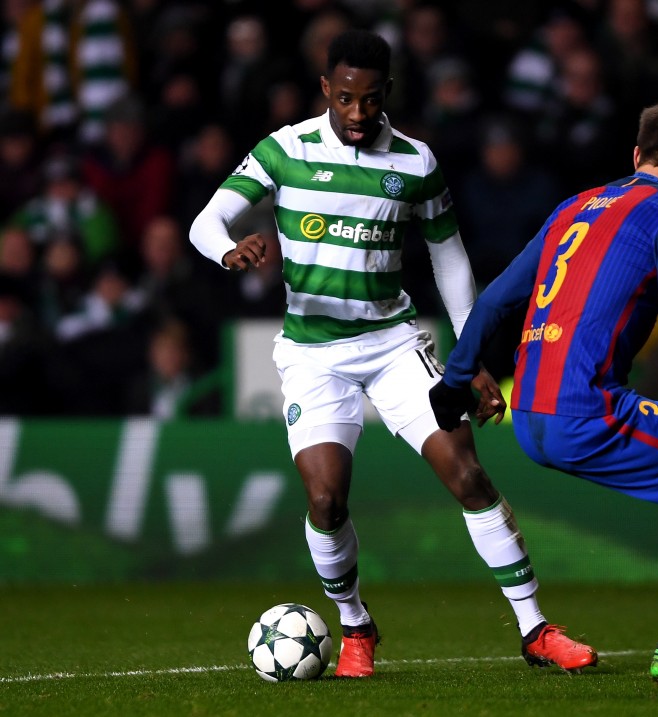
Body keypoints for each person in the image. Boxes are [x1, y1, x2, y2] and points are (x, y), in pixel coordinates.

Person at [189, 28, 597, 679]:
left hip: (393, 344)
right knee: (326, 499)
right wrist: (228, 249)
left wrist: (471, 358)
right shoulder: (284, 150)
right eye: (346, 98)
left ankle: (535, 627)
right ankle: (355, 625)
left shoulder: (415, 162)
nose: (357, 113)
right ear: (326, 89)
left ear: (387, 95)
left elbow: (449, 258)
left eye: (371, 100)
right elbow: (205, 221)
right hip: (314, 355)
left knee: (466, 473)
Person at [429, 98, 658, 693]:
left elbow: (495, 299)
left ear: (636, 155)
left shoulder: (575, 205)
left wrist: (455, 379)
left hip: (531, 414)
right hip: (586, 411)